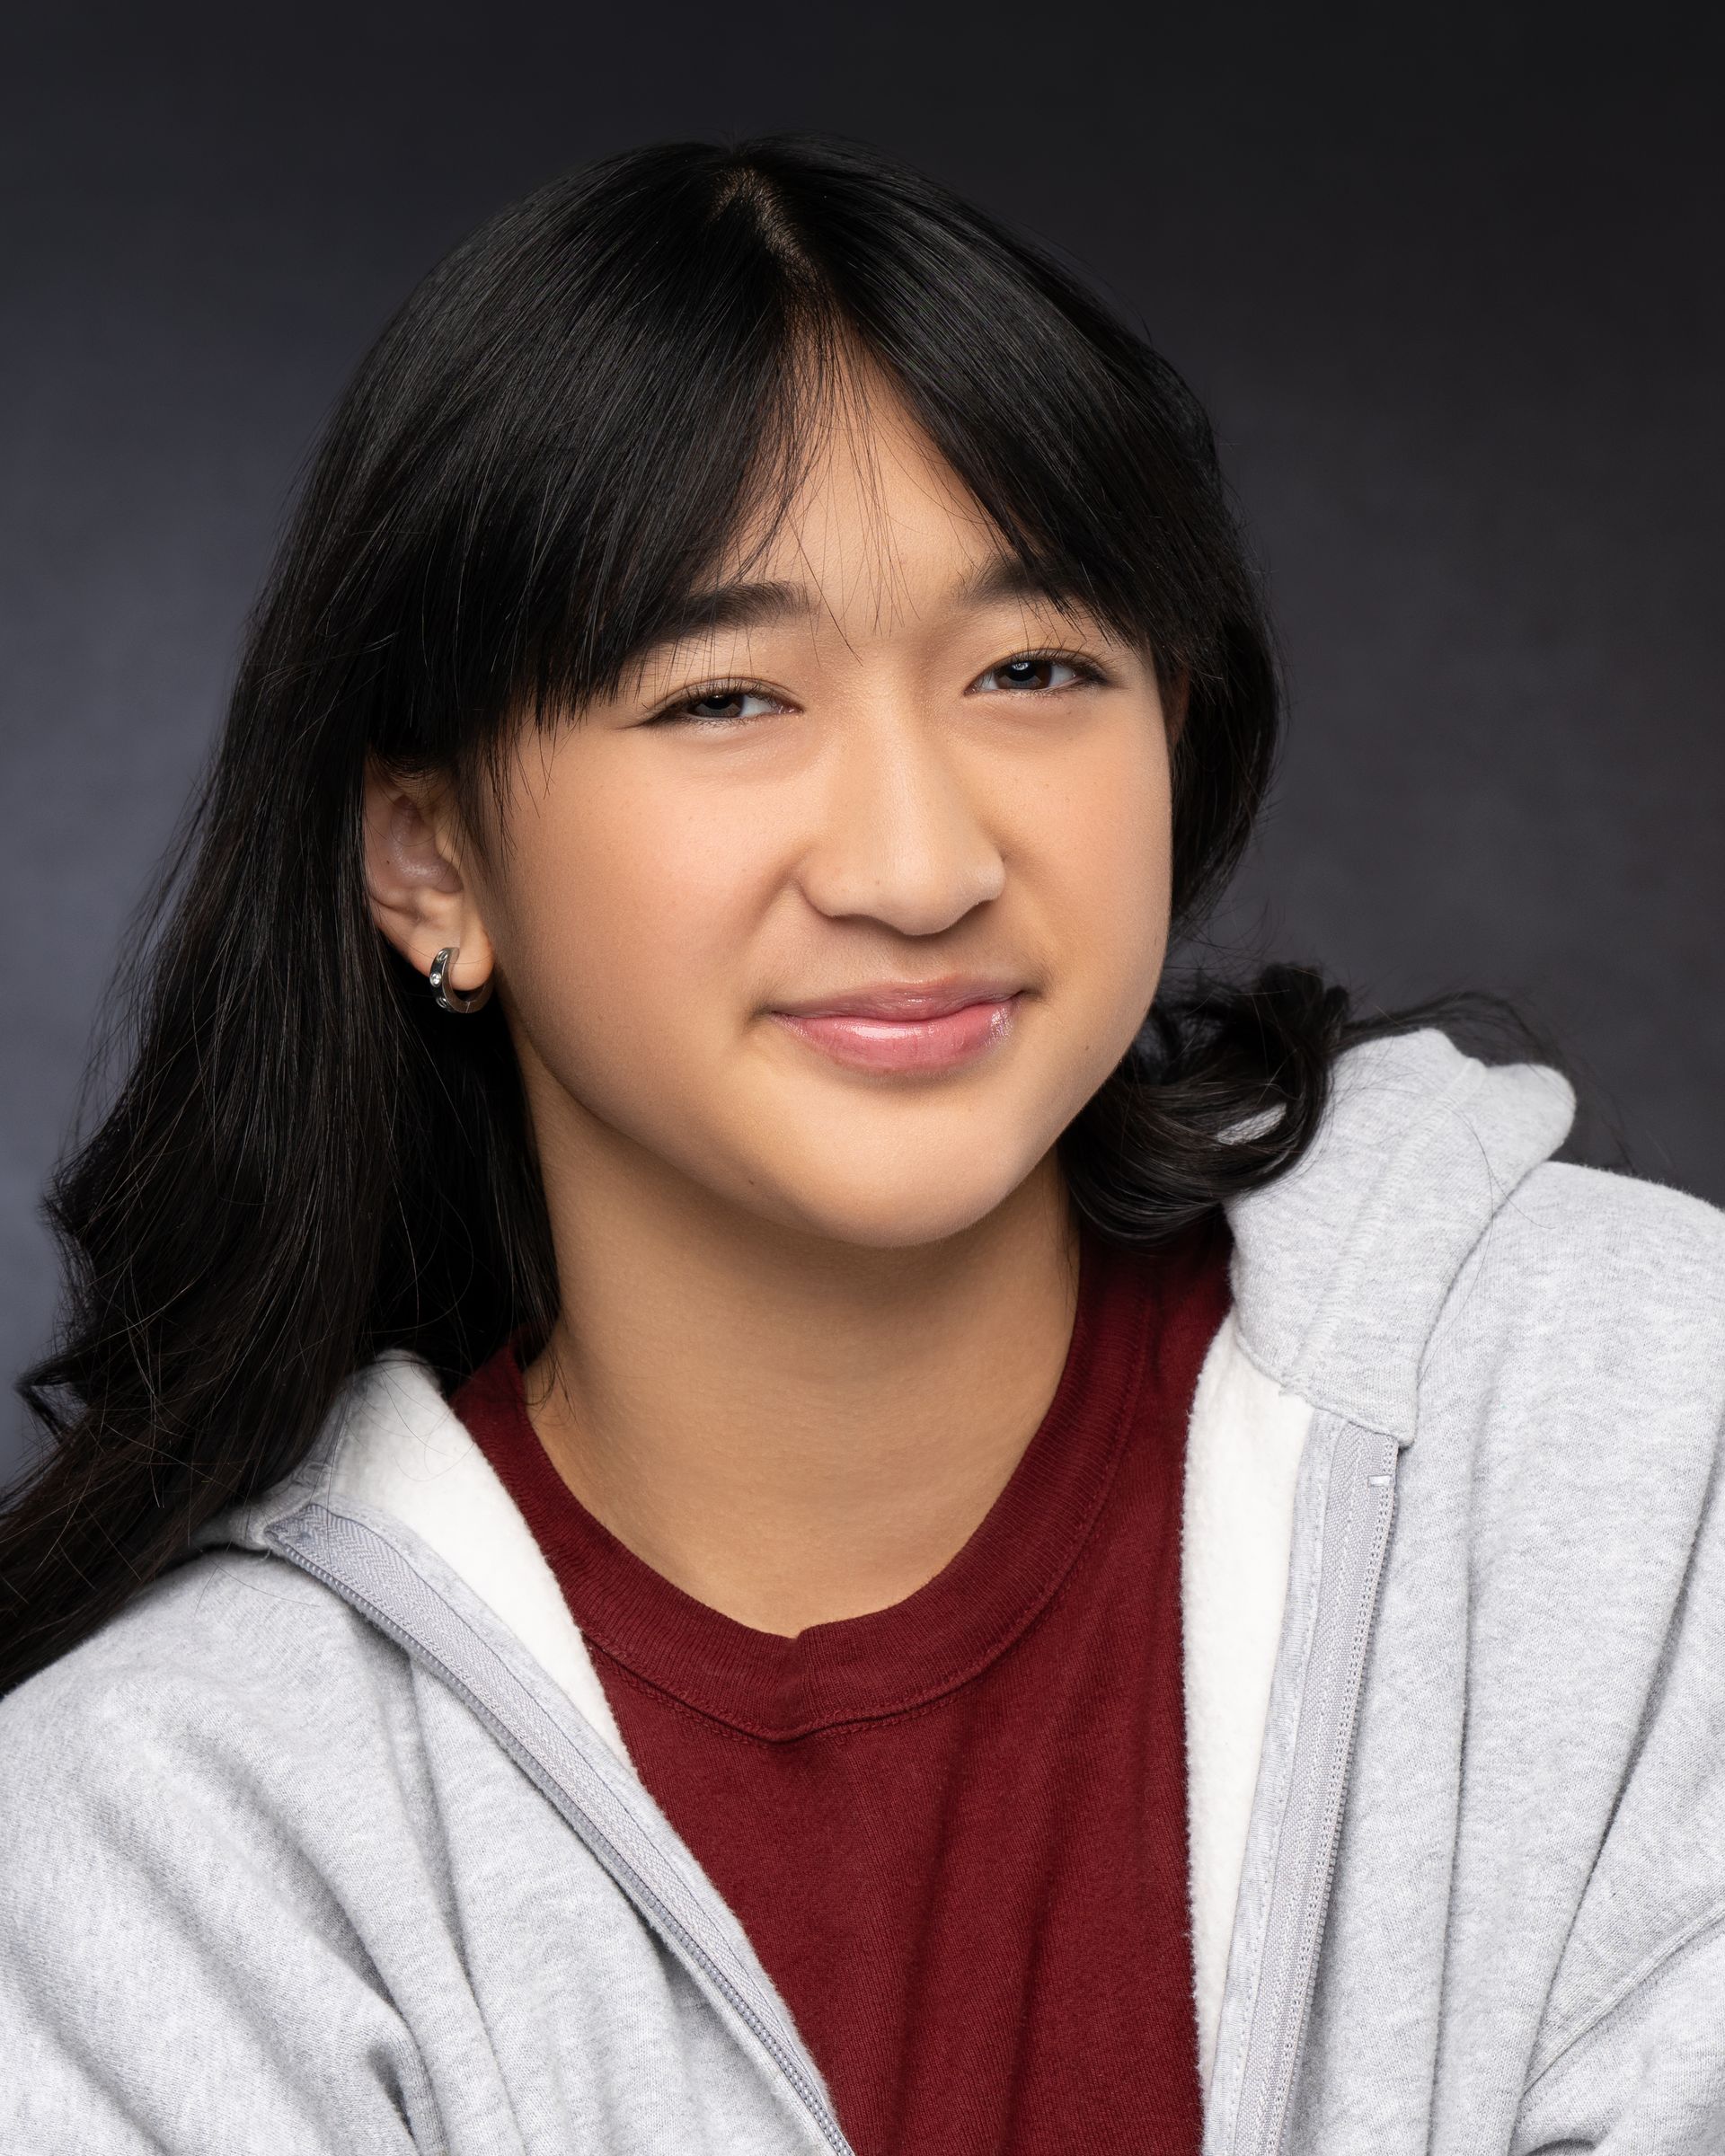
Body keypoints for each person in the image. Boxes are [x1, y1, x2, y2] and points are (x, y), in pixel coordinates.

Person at [0, 132, 1720, 2156]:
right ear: (430, 857)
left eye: (1035, 669)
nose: (921, 863)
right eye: (726, 698)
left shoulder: (1646, 1433)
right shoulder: (168, 1840)